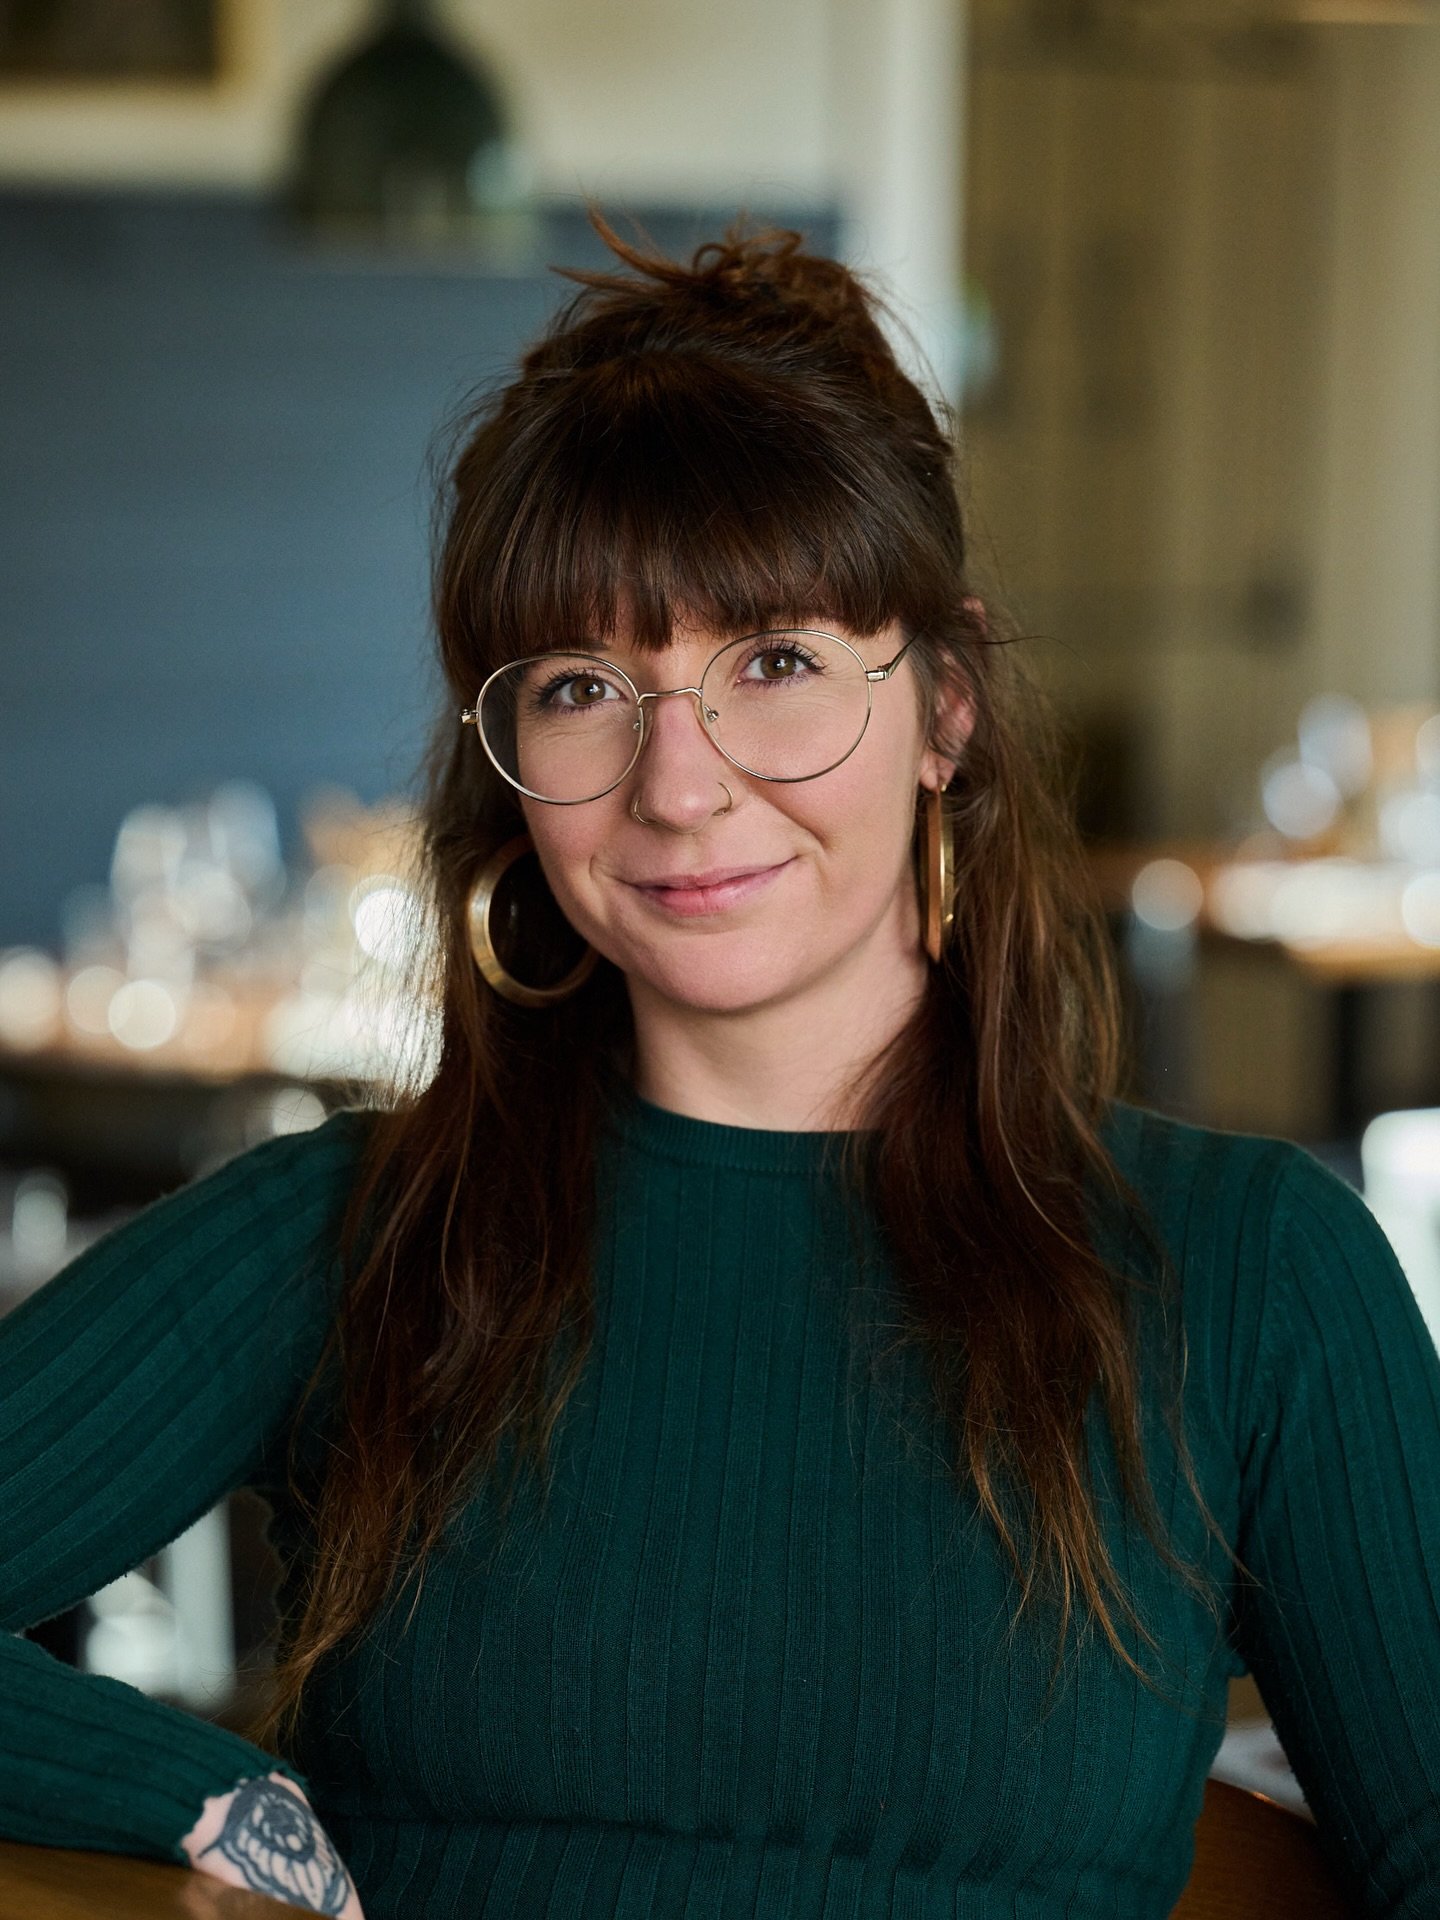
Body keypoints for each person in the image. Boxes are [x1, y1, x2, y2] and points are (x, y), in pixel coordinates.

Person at [2, 215, 1439, 1920]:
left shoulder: (1254, 1275)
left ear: (947, 704)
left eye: (774, 664)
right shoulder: (351, 1239)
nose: (679, 785)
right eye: (585, 686)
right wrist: (201, 1785)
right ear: (504, 752)